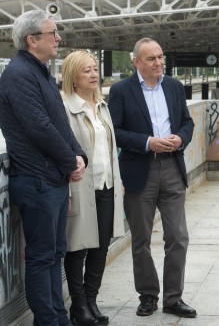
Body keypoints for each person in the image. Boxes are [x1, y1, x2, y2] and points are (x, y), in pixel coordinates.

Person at [0, 10, 87, 326]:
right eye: (52, 33)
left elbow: (59, 123)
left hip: (51, 178)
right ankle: (49, 321)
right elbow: (38, 127)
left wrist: (78, 156)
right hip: (37, 180)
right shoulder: (19, 74)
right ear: (31, 39)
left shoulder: (40, 71)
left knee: (55, 254)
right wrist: (70, 161)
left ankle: (58, 318)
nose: (58, 37)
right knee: (41, 256)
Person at [107, 38, 196, 318]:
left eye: (160, 57)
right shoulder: (121, 91)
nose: (158, 63)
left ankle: (173, 298)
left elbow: (187, 122)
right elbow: (115, 131)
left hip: (172, 168)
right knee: (141, 239)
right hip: (139, 171)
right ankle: (148, 295)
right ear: (136, 62)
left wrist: (180, 137)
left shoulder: (173, 86)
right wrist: (147, 142)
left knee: (178, 237)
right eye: (151, 59)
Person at [61, 51, 126, 325]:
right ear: (73, 76)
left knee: (100, 247)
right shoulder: (64, 106)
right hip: (80, 189)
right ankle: (78, 306)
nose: (93, 74)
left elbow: (110, 151)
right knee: (78, 248)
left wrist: (118, 183)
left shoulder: (102, 105)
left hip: (106, 187)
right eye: (86, 70)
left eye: (95, 68)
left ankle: (91, 301)